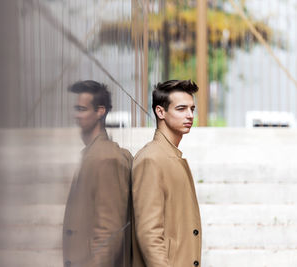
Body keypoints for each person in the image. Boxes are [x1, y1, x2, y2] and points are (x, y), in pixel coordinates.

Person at [132, 80, 202, 267]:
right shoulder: (152, 159)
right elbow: (149, 233)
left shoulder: (169, 156)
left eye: (192, 109)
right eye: (181, 109)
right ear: (160, 112)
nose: (189, 115)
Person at [63, 80, 132, 267]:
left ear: (100, 111)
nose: (76, 115)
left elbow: (109, 233)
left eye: (82, 109)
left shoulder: (106, 158)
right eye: (76, 109)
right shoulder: (92, 154)